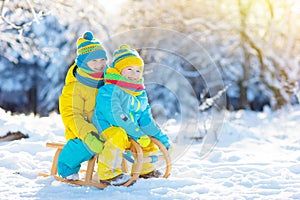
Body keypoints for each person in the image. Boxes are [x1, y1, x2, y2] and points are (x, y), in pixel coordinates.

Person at [92, 44, 170, 185]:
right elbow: (116, 117)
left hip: (129, 131)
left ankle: (145, 170)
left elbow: (146, 120)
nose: (134, 74)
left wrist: (160, 138)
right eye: (129, 69)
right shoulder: (109, 90)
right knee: (119, 134)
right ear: (119, 71)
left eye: (138, 70)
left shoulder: (139, 94)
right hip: (105, 128)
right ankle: (108, 173)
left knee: (147, 138)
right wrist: (137, 134)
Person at [57, 31, 107, 180]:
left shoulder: (107, 81)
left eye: (102, 59)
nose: (99, 65)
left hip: (106, 127)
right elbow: (71, 115)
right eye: (94, 61)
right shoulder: (75, 87)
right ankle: (67, 165)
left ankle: (109, 170)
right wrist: (88, 133)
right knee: (91, 144)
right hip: (82, 131)